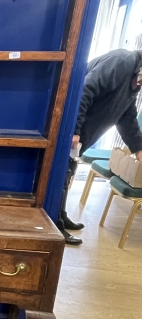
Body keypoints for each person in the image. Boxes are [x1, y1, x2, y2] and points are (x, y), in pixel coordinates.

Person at [58, 48, 142, 245]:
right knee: (60, 175)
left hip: (81, 135)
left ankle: (60, 215)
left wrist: (138, 148)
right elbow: (85, 89)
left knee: (68, 172)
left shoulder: (134, 79)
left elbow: (127, 116)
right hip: (69, 130)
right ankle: (55, 226)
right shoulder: (122, 61)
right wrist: (75, 130)